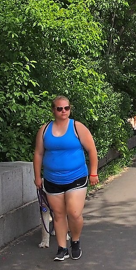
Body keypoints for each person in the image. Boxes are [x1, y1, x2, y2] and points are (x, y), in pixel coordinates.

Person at [33, 96, 99, 261]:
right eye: (59, 108)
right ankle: (62, 248)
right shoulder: (45, 129)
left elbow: (92, 150)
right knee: (58, 214)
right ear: (53, 110)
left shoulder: (77, 127)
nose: (63, 111)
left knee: (74, 213)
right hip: (52, 178)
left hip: (76, 176)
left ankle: (75, 241)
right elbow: (38, 153)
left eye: (66, 108)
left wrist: (93, 173)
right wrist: (37, 177)